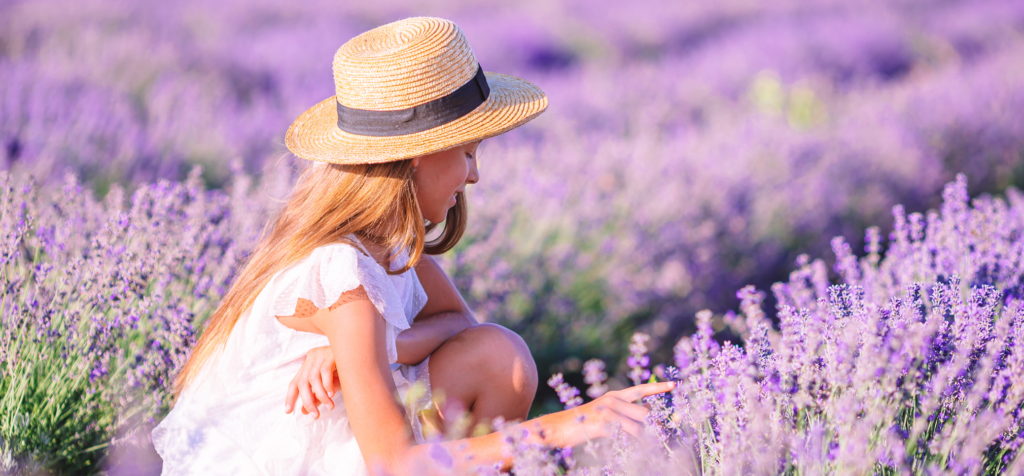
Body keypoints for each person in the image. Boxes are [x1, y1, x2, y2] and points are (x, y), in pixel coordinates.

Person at [151, 16, 673, 475]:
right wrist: (565, 425)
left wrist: (368, 349)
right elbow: (394, 464)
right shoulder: (341, 273)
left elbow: (464, 326)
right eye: (468, 153)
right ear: (418, 156)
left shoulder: (389, 244)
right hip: (301, 460)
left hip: (345, 445)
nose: (474, 176)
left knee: (501, 355)